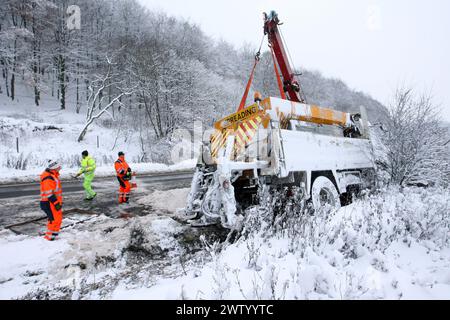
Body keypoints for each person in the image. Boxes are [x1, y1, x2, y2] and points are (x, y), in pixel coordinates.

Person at [40, 160, 63, 241]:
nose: (60, 167)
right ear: (54, 167)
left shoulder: (53, 175)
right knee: (53, 220)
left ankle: (54, 235)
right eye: (59, 166)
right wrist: (56, 203)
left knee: (58, 219)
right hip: (49, 202)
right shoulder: (48, 178)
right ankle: (49, 238)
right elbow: (49, 193)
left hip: (54, 202)